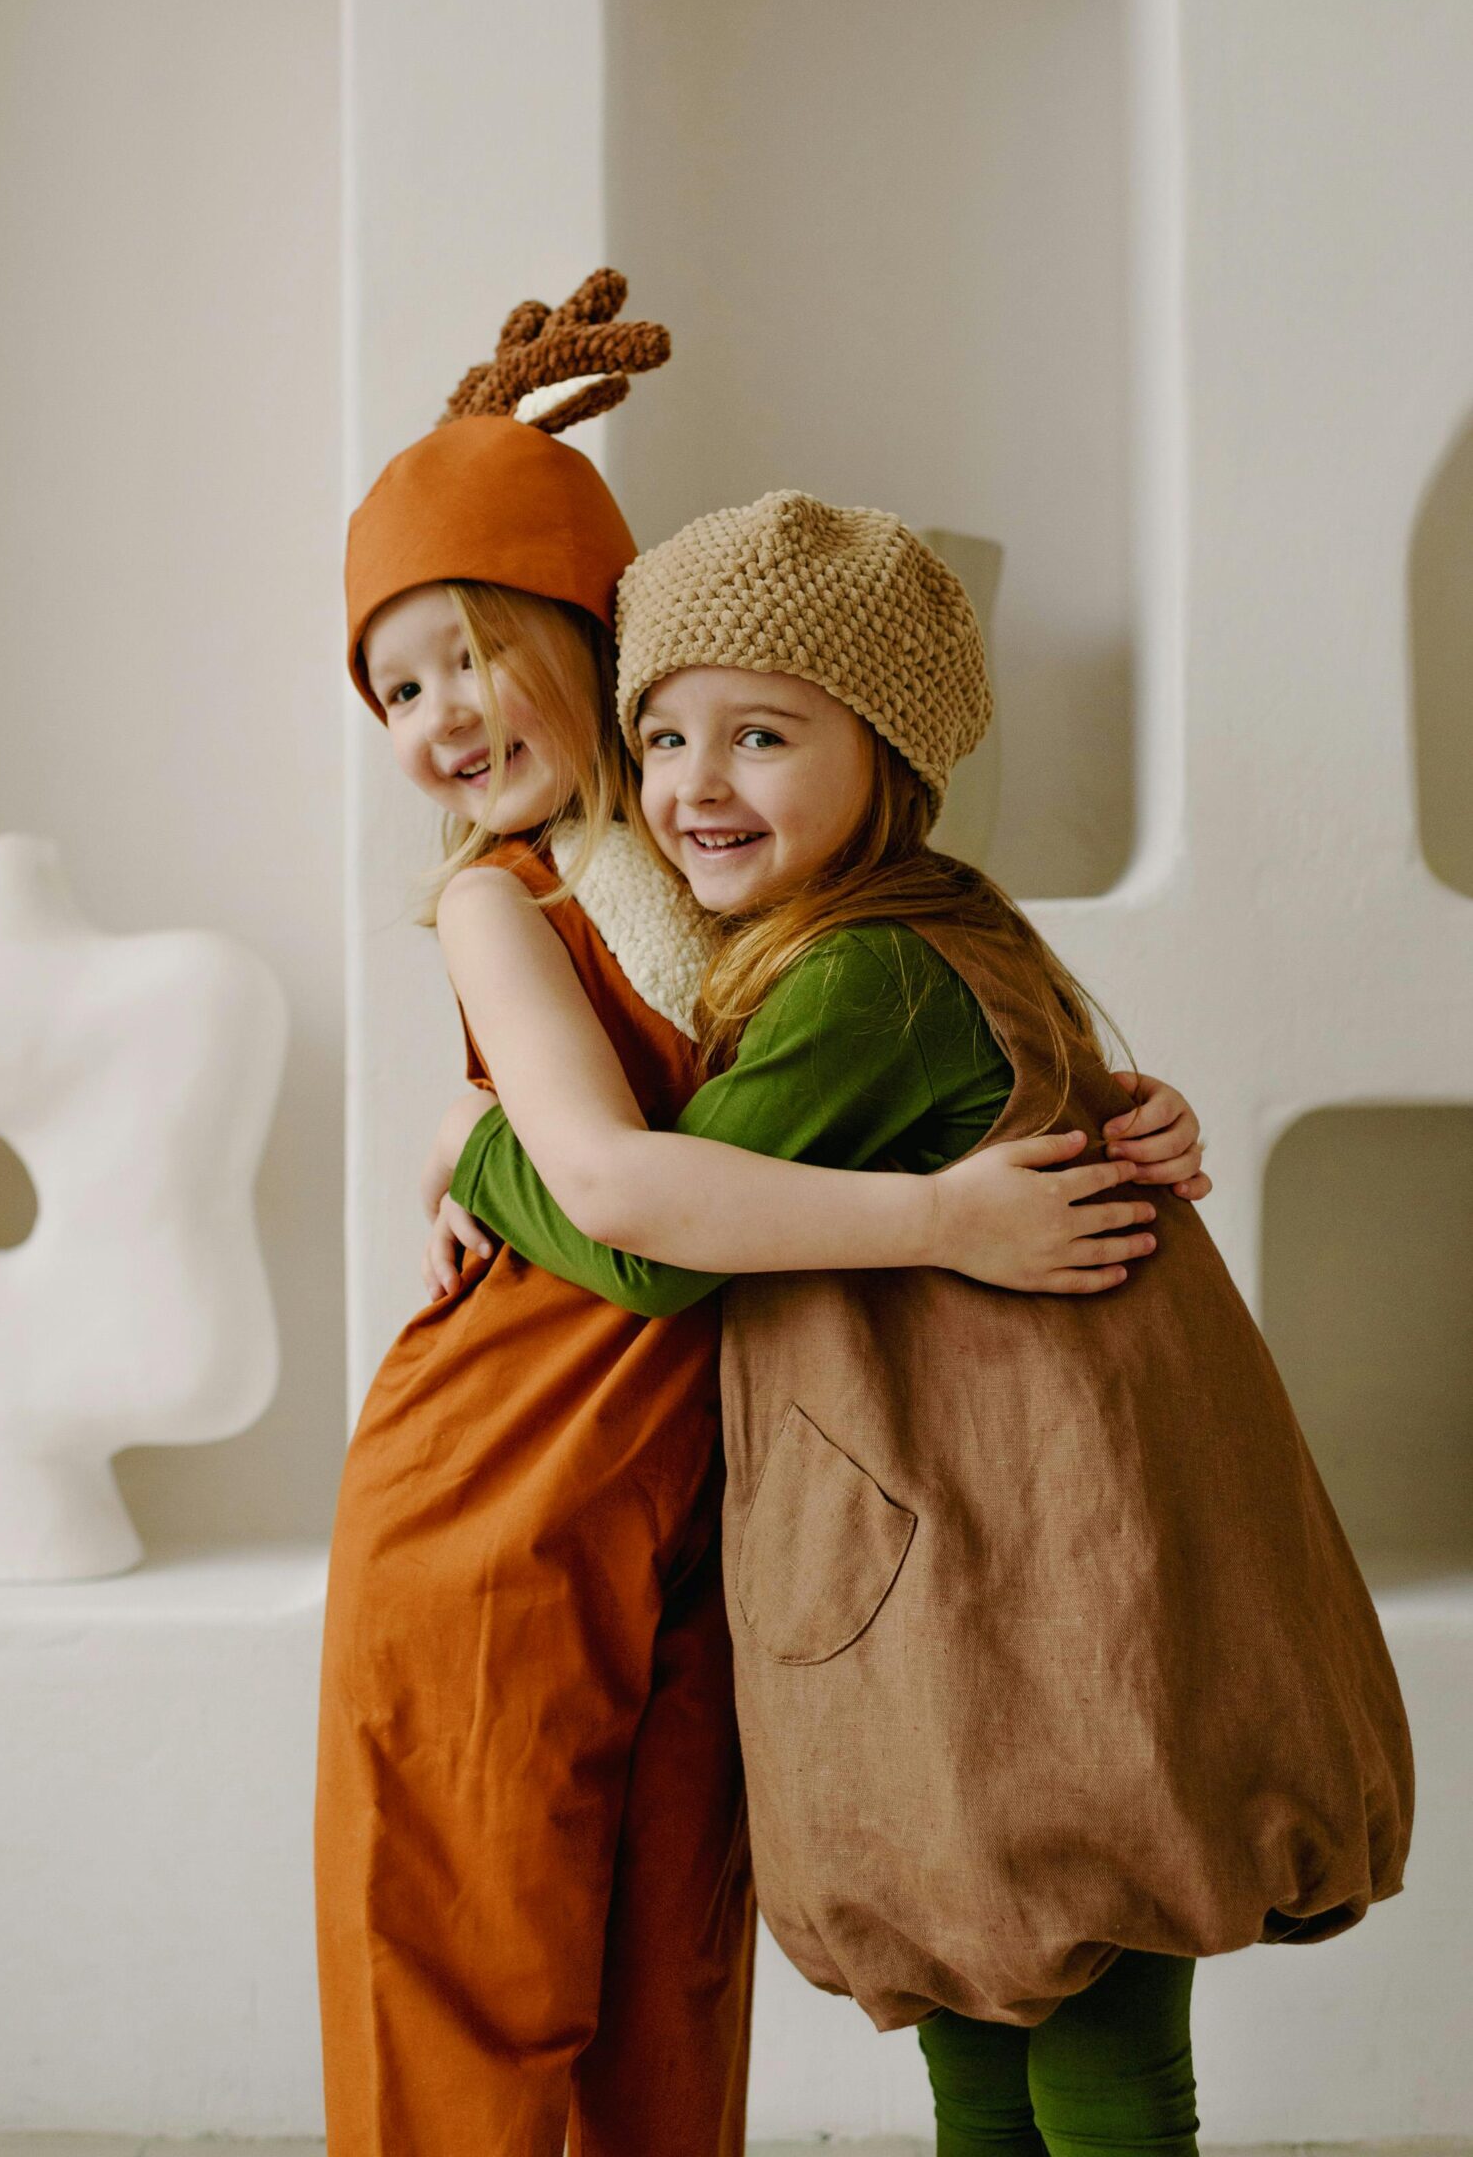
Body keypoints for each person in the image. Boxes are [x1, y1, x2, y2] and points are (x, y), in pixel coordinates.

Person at [318, 281, 1207, 2157]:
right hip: (509, 1487)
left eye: (477, 654)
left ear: (600, 645)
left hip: (720, 1504)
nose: (443, 717)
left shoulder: (748, 883)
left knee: (673, 1974)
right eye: (399, 686)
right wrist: (943, 1222)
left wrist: (1116, 1113)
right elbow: (630, 1194)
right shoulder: (505, 903)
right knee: (468, 1978)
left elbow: (915, 1040)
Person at [435, 489, 1413, 2157]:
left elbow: (661, 1233)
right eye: (663, 736)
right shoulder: (905, 937)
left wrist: (482, 1158)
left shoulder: (865, 978)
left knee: (1083, 2036)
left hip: (1036, 1604)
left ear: (888, 754)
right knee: (991, 2029)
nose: (694, 785)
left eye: (762, 735)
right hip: (992, 1592)